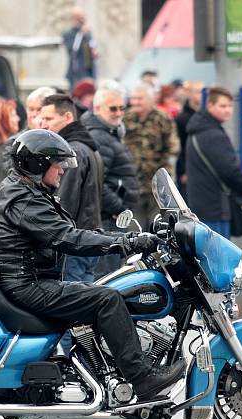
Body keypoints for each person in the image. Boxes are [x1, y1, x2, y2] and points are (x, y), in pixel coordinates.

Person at [0, 129, 184, 401]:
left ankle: (104, 369)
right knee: (108, 299)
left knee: (103, 289)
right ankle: (142, 378)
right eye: (58, 165)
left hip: (26, 280)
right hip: (26, 284)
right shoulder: (24, 199)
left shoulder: (26, 190)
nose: (63, 171)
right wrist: (127, 243)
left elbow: (72, 231)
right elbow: (67, 237)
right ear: (37, 165)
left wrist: (127, 239)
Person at [39, 93, 103, 284]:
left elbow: (64, 202)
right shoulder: (86, 145)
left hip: (75, 243)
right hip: (87, 237)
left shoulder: (73, 150)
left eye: (49, 119)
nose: (43, 124)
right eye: (42, 119)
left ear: (67, 117)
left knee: (75, 302)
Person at [81, 80, 139, 278]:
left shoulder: (108, 133)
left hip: (112, 218)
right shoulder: (98, 136)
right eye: (113, 108)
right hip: (107, 219)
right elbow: (97, 183)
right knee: (107, 277)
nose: (119, 113)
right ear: (97, 108)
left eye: (122, 108)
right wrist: (119, 208)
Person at [184, 87, 242, 238]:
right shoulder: (213, 135)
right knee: (219, 256)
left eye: (230, 106)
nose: (228, 110)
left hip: (201, 204)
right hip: (216, 206)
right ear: (210, 106)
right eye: (222, 106)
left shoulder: (197, 130)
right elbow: (229, 169)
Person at [124, 83, 180, 230]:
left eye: (139, 99)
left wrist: (165, 176)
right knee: (135, 230)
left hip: (156, 185)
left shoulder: (162, 118)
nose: (135, 102)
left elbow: (173, 148)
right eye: (133, 98)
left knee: (157, 228)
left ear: (150, 100)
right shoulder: (126, 119)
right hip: (133, 185)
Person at [174, 81, 203, 200]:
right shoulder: (181, 119)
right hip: (187, 169)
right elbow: (180, 147)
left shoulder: (205, 116)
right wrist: (184, 171)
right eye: (197, 92)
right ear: (189, 94)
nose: (201, 95)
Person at [62, 6, 97, 89]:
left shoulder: (87, 32)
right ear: (73, 18)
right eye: (79, 18)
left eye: (83, 17)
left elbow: (92, 44)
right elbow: (74, 48)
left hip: (89, 72)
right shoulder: (68, 34)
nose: (82, 20)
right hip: (76, 73)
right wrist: (81, 33)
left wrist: (94, 50)